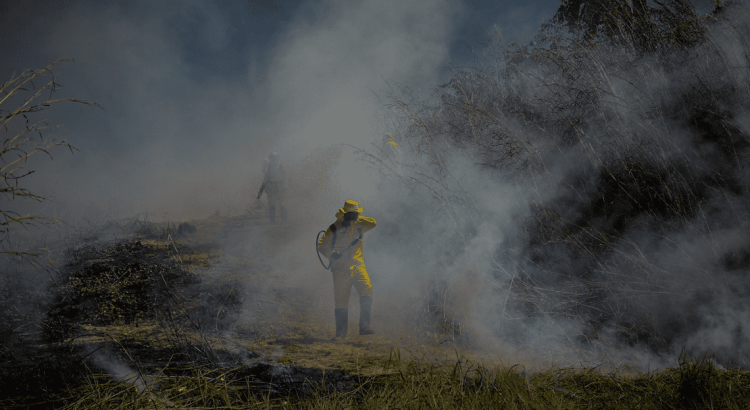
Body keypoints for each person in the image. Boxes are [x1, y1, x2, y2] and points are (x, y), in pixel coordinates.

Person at [317, 200, 377, 338]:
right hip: (340, 270)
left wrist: (356, 219)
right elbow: (321, 246)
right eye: (353, 214)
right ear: (345, 214)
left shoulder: (360, 225)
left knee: (366, 290)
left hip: (358, 266)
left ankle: (364, 325)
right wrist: (332, 254)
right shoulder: (334, 228)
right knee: (341, 300)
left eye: (357, 213)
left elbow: (373, 222)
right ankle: (341, 335)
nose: (356, 216)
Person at [257, 152, 287, 223]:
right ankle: (274, 221)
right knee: (273, 204)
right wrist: (260, 191)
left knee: (281, 203)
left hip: (277, 187)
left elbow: (284, 177)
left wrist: (284, 186)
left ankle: (282, 220)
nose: (274, 159)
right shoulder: (270, 166)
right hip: (273, 187)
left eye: (274, 158)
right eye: (273, 158)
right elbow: (266, 180)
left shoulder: (279, 166)